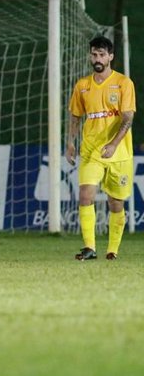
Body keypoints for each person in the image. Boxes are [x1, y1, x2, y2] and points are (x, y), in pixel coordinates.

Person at [66, 36, 136, 261]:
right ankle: (89, 247)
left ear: (111, 57)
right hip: (91, 151)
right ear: (90, 55)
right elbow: (75, 116)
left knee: (115, 203)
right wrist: (70, 142)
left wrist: (114, 144)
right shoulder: (82, 86)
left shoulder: (124, 83)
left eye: (102, 55)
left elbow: (127, 119)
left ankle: (112, 250)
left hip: (118, 153)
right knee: (85, 194)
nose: (97, 59)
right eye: (94, 55)